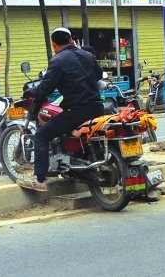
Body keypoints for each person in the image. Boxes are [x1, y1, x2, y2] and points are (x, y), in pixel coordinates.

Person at [19, 27, 104, 192]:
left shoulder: (57, 61)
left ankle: (39, 179)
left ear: (53, 44)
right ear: (71, 39)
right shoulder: (87, 55)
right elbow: (99, 75)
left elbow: (45, 89)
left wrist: (30, 92)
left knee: (41, 136)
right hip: (97, 108)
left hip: (77, 112)